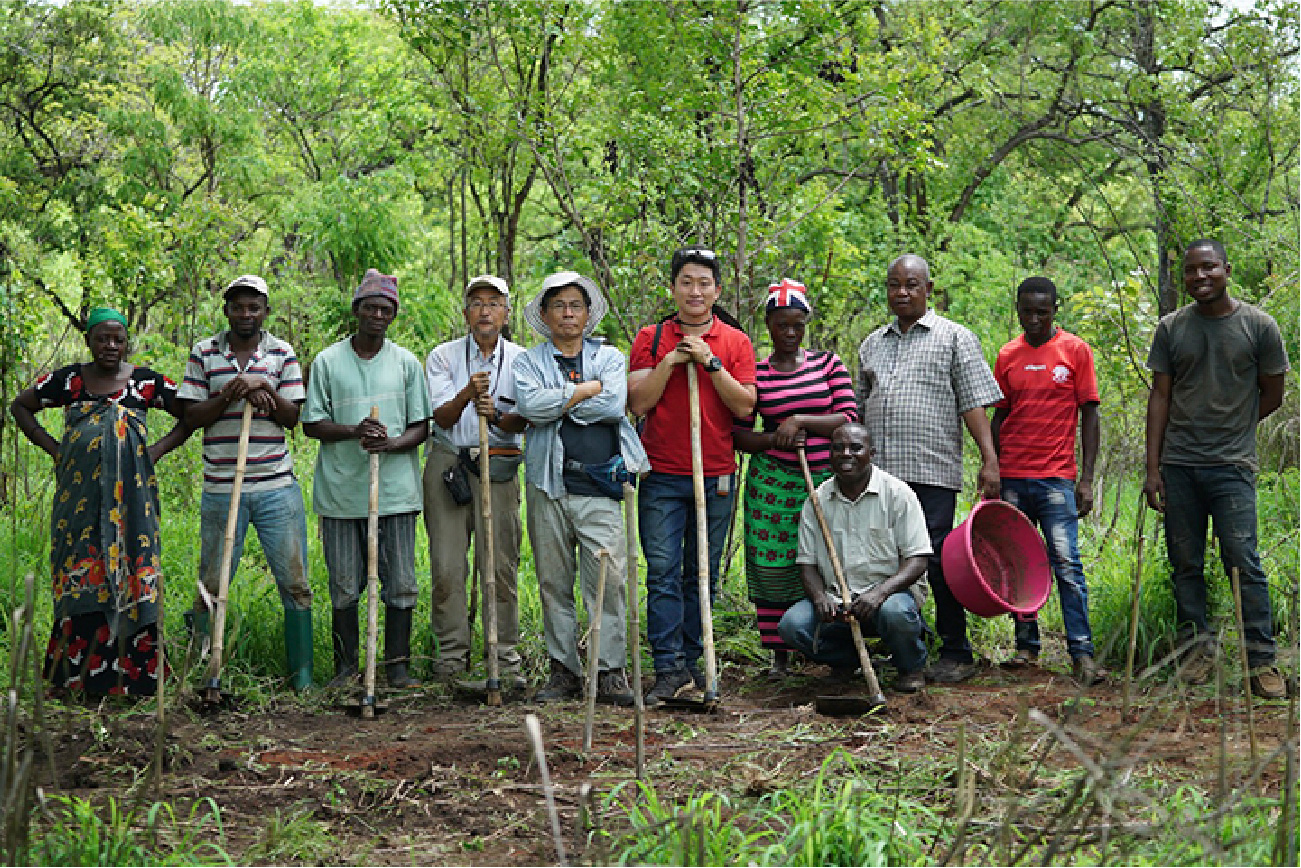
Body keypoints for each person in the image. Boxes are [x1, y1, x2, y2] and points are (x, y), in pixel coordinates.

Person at [9, 307, 190, 696]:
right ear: (89, 340)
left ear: (127, 343)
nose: (110, 346)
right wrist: (57, 451)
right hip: (80, 500)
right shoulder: (69, 380)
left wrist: (153, 451)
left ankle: (136, 681)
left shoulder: (145, 382)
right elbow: (19, 406)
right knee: (80, 567)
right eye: (102, 338)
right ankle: (77, 679)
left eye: (118, 339)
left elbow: (189, 413)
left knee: (134, 567)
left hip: (133, 501)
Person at [1144, 240, 1288, 699]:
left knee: (1243, 562)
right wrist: (1153, 468)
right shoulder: (1171, 329)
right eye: (1190, 271)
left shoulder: (1259, 327)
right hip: (1180, 464)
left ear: (1226, 269)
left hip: (1232, 466)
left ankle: (1261, 661)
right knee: (1184, 562)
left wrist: (1234, 427)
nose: (1199, 277)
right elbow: (1160, 398)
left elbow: (1273, 394)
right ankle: (1197, 649)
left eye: (1208, 268)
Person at [858, 254, 1003, 683]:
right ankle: (908, 644)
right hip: (881, 475)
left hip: (932, 469)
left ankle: (957, 650)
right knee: (888, 560)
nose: (902, 292)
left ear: (928, 290)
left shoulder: (955, 338)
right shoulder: (872, 344)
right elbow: (858, 407)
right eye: (894, 284)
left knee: (936, 558)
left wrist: (989, 461)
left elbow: (972, 403)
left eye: (912, 284)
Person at [628, 246, 757, 706]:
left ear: (717, 290)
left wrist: (709, 362)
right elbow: (638, 403)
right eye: (686, 281)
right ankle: (668, 668)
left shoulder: (735, 342)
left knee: (699, 574)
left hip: (716, 474)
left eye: (704, 283)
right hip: (661, 473)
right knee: (661, 571)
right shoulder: (652, 336)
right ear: (673, 288)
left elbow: (745, 406)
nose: (695, 291)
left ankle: (698, 661)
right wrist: (670, 362)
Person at [514, 271, 649, 705]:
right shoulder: (527, 362)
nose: (568, 313)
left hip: (602, 483)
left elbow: (612, 404)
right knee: (554, 582)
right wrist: (581, 392)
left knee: (608, 581)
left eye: (576, 305)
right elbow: (531, 409)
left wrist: (562, 399)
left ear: (588, 314)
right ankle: (563, 673)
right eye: (559, 306)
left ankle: (609, 672)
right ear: (545, 315)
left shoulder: (609, 357)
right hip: (547, 484)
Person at [177, 274, 314, 691]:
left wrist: (265, 391)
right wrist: (230, 395)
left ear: (265, 312)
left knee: (295, 582)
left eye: (254, 307)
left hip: (276, 486)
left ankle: (302, 678)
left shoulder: (281, 353)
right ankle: (204, 667)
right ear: (227, 311)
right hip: (221, 486)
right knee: (212, 582)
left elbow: (294, 418)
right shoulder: (204, 353)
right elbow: (191, 416)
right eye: (238, 306)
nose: (246, 314)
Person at [302, 270, 431, 689]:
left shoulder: (406, 363)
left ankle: (397, 668)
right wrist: (353, 431)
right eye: (370, 307)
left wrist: (391, 444)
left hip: (395, 491)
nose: (377, 315)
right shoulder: (327, 361)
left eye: (386, 309)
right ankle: (345, 670)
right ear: (356, 311)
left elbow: (421, 426)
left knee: (401, 581)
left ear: (393, 315)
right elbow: (311, 423)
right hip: (341, 492)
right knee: (343, 583)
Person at [734, 279, 858, 679]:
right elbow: (739, 435)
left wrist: (801, 420)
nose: (789, 333)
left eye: (797, 325)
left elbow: (849, 419)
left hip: (824, 479)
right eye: (781, 325)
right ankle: (780, 656)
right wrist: (775, 437)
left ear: (806, 325)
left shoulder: (828, 364)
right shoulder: (756, 375)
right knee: (774, 566)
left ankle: (833, 647)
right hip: (773, 482)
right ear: (768, 324)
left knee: (829, 561)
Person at [990, 277, 1102, 685]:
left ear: (1056, 309)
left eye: (1043, 311)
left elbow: (1090, 414)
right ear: (1017, 309)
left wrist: (1086, 480)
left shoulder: (1075, 351)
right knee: (1020, 563)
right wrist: (991, 470)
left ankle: (1082, 652)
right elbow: (1000, 416)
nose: (1034, 319)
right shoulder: (1008, 354)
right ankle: (1026, 646)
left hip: (1056, 478)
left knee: (1067, 564)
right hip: (1014, 476)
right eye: (1027, 311)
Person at [423, 275, 527, 687]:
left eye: (494, 303)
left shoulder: (523, 359)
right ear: (465, 313)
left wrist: (498, 415)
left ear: (506, 312)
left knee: (500, 563)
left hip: (499, 463)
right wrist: (469, 393)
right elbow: (442, 417)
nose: (485, 311)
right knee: (447, 565)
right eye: (476, 303)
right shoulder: (443, 357)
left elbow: (529, 417)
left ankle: (504, 658)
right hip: (450, 461)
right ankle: (450, 662)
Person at [777, 424, 931, 693]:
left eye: (855, 448)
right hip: (838, 598)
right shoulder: (818, 500)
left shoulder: (898, 494)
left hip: (889, 595)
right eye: (838, 448)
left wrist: (879, 593)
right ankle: (850, 661)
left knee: (897, 613)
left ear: (871, 453)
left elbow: (918, 559)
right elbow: (807, 563)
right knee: (792, 626)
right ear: (829, 454)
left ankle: (910, 666)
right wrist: (819, 598)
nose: (846, 454)